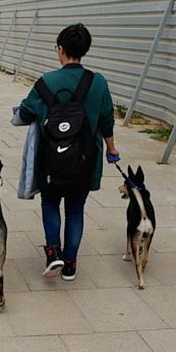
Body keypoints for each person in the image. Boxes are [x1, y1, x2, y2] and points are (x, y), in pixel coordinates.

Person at [16, 23, 118, 280]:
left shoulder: (46, 82)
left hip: (50, 161)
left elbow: (26, 112)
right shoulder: (98, 82)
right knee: (75, 209)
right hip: (85, 161)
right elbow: (107, 120)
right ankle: (70, 264)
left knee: (50, 203)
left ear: (60, 50)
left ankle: (53, 255)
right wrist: (111, 149)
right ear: (84, 51)